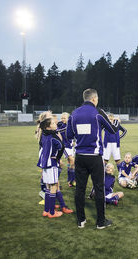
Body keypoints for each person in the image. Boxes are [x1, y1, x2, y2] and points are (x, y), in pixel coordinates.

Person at [66, 88, 120, 229]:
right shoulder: (98, 112)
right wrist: (116, 122)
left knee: (80, 190)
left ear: (85, 98)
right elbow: (112, 130)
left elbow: (69, 136)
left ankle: (81, 220)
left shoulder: (74, 113)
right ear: (94, 99)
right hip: (95, 157)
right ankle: (100, 222)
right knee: (99, 189)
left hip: (80, 157)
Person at [36, 112, 73, 218]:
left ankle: (47, 210)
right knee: (53, 186)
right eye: (53, 121)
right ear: (48, 125)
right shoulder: (53, 135)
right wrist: (57, 158)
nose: (55, 122)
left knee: (49, 187)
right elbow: (61, 146)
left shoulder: (43, 133)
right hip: (51, 163)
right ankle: (52, 212)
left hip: (44, 164)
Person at [57, 112, 76, 187]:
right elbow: (61, 130)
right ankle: (73, 179)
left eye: (64, 118)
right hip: (65, 146)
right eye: (62, 118)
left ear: (68, 118)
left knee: (70, 163)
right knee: (73, 161)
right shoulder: (61, 126)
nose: (63, 119)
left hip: (71, 146)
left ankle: (70, 181)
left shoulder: (71, 125)